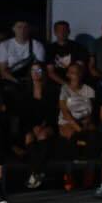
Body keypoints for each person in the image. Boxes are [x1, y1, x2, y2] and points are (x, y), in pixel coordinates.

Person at [58, 62, 99, 190]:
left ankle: (90, 173)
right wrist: (78, 128)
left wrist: (85, 124)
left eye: (77, 72)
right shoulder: (64, 89)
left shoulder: (89, 90)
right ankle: (68, 175)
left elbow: (91, 110)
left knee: (93, 137)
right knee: (69, 138)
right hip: (68, 122)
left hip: (85, 121)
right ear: (68, 74)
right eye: (72, 72)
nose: (74, 75)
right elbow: (64, 111)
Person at [21, 61, 60, 189]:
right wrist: (33, 127)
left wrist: (43, 125)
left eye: (39, 70)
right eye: (33, 70)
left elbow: (53, 111)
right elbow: (23, 114)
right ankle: (38, 172)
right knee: (29, 138)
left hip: (48, 124)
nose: (36, 73)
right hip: (30, 125)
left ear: (43, 73)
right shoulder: (25, 91)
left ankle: (34, 173)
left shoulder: (51, 90)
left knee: (42, 135)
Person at [45, 20, 87, 89]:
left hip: (75, 83)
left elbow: (80, 69)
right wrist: (66, 85)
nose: (62, 33)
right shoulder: (50, 49)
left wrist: (73, 85)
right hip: (56, 84)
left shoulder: (78, 47)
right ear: (55, 32)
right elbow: (51, 72)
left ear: (69, 31)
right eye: (59, 30)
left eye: (64, 30)